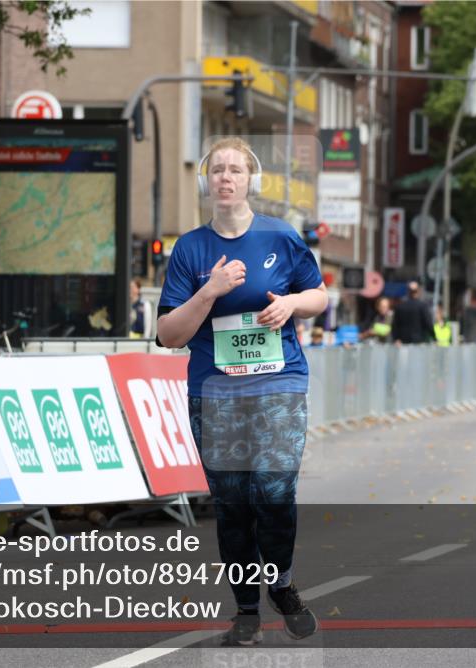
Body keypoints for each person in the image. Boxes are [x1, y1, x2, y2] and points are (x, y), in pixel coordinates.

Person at [155, 137, 328, 646]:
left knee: (273, 490)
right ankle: (247, 609)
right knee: (232, 502)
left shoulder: (281, 237)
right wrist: (209, 290)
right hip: (216, 391)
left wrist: (293, 303)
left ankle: (282, 582)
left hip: (280, 381)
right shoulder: (190, 248)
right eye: (218, 170)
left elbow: (319, 294)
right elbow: (169, 335)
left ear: (252, 180)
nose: (226, 177)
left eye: (235, 170)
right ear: (207, 181)